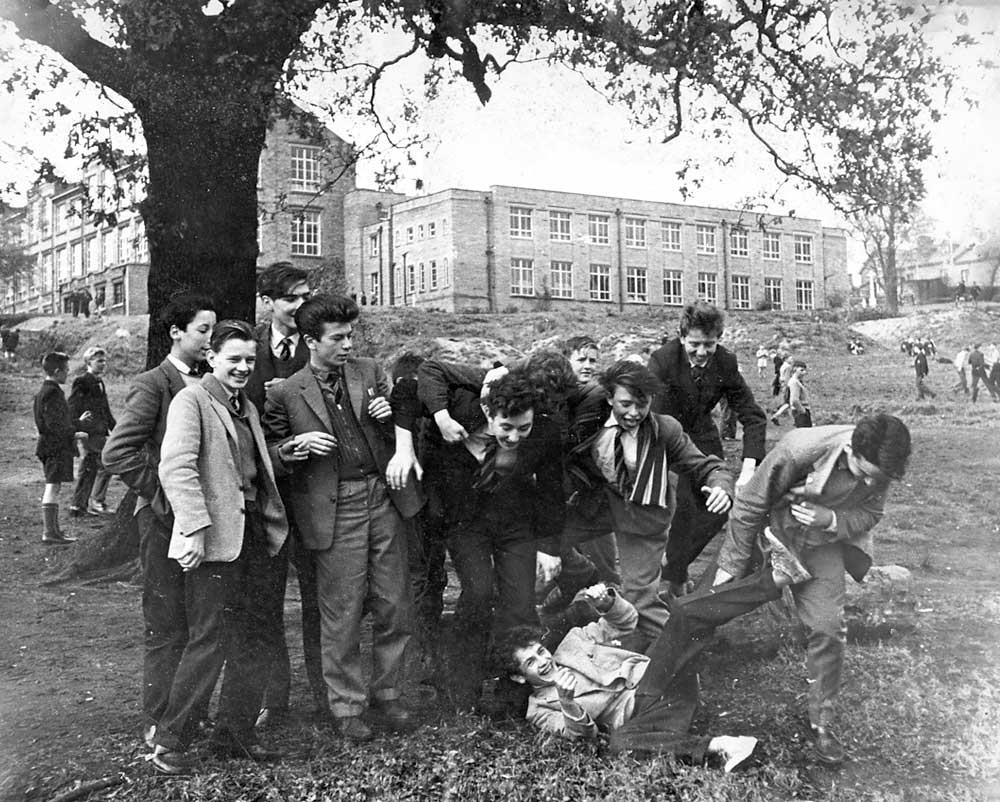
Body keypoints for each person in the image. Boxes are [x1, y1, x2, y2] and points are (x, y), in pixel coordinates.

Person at [262, 294, 422, 742]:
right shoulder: (286, 391)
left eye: (351, 335)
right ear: (311, 341)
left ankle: (388, 694)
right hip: (334, 509)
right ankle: (346, 707)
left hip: (383, 497)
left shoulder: (370, 372)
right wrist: (294, 448)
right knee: (343, 611)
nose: (348, 344)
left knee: (394, 602)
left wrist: (390, 418)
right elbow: (269, 453)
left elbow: (403, 428)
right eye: (338, 338)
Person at [710, 414, 912, 764]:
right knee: (710, 605)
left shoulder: (881, 464)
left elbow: (870, 513)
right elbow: (751, 502)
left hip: (821, 545)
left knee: (829, 628)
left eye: (874, 479)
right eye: (861, 472)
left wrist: (832, 520)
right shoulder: (799, 449)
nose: (867, 482)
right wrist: (730, 567)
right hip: (771, 534)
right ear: (850, 447)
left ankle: (823, 723)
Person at [150, 320, 288, 775]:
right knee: (209, 639)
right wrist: (191, 529)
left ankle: (235, 735)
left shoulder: (246, 406)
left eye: (250, 359)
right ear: (210, 357)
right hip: (212, 538)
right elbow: (176, 467)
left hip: (253, 535)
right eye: (233, 359)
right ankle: (172, 741)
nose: (243, 367)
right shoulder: (192, 400)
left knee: (253, 636)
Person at [102, 292, 217, 753]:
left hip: (205, 521)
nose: (210, 338)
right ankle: (158, 721)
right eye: (203, 330)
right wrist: (160, 493)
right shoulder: (156, 383)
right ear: (176, 333)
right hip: (162, 523)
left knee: (200, 624)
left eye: (213, 330)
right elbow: (116, 453)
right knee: (167, 625)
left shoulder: (212, 382)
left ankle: (189, 718)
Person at [416, 363, 566, 709]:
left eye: (523, 428)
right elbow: (421, 379)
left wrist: (549, 547)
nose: (514, 437)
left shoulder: (545, 431)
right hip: (467, 521)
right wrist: (439, 419)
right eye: (506, 427)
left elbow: (552, 491)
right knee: (479, 593)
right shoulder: (459, 413)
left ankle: (513, 691)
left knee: (520, 600)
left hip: (516, 521)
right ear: (487, 411)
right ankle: (462, 687)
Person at [560, 360, 733, 648]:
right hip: (592, 506)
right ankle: (564, 606)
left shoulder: (665, 429)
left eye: (643, 404)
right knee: (541, 546)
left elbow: (707, 466)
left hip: (644, 515)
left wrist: (721, 486)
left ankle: (679, 658)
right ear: (608, 397)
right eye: (625, 404)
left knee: (642, 600)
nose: (634, 413)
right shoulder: (585, 414)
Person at [496, 584, 759, 772]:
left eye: (540, 651)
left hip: (656, 680)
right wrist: (566, 701)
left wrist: (607, 604)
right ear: (520, 678)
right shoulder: (539, 709)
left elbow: (625, 623)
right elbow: (582, 737)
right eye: (531, 662)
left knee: (682, 615)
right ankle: (724, 746)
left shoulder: (572, 642)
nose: (543, 661)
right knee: (620, 744)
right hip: (650, 715)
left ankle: (773, 580)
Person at [244, 262, 324, 727]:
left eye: (305, 296)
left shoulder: (322, 342)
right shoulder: (245, 349)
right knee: (266, 600)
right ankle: (274, 700)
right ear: (269, 301)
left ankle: (326, 693)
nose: (300, 306)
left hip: (315, 491)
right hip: (265, 493)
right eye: (291, 298)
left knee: (320, 598)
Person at [647, 301, 765, 596]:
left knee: (718, 509)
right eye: (695, 344)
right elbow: (656, 418)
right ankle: (672, 580)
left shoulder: (725, 362)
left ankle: (673, 569)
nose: (702, 353)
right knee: (684, 507)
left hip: (704, 438)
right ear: (682, 336)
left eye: (709, 345)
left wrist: (749, 468)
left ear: (718, 340)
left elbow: (752, 415)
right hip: (668, 437)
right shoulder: (662, 360)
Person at [34, 351, 87, 545]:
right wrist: (74, 433)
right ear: (57, 371)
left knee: (53, 487)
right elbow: (53, 425)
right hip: (54, 447)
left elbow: (57, 422)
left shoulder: (45, 391)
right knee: (52, 487)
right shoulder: (52, 392)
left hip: (50, 445)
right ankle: (50, 532)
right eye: (66, 370)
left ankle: (54, 531)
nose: (68, 374)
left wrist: (76, 424)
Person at [68, 347, 117, 516]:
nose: (103, 364)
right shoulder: (82, 381)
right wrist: (78, 423)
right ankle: (93, 502)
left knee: (94, 466)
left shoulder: (99, 382)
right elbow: (73, 406)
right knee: (102, 464)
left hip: (100, 432)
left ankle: (82, 504)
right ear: (89, 362)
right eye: (99, 361)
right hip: (89, 432)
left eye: (104, 361)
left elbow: (105, 410)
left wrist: (116, 430)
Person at [786, 360, 812, 427]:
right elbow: (794, 400)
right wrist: (803, 411)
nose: (804, 373)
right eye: (801, 370)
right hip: (800, 411)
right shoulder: (794, 382)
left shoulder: (798, 381)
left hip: (802, 409)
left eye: (805, 371)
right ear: (795, 369)